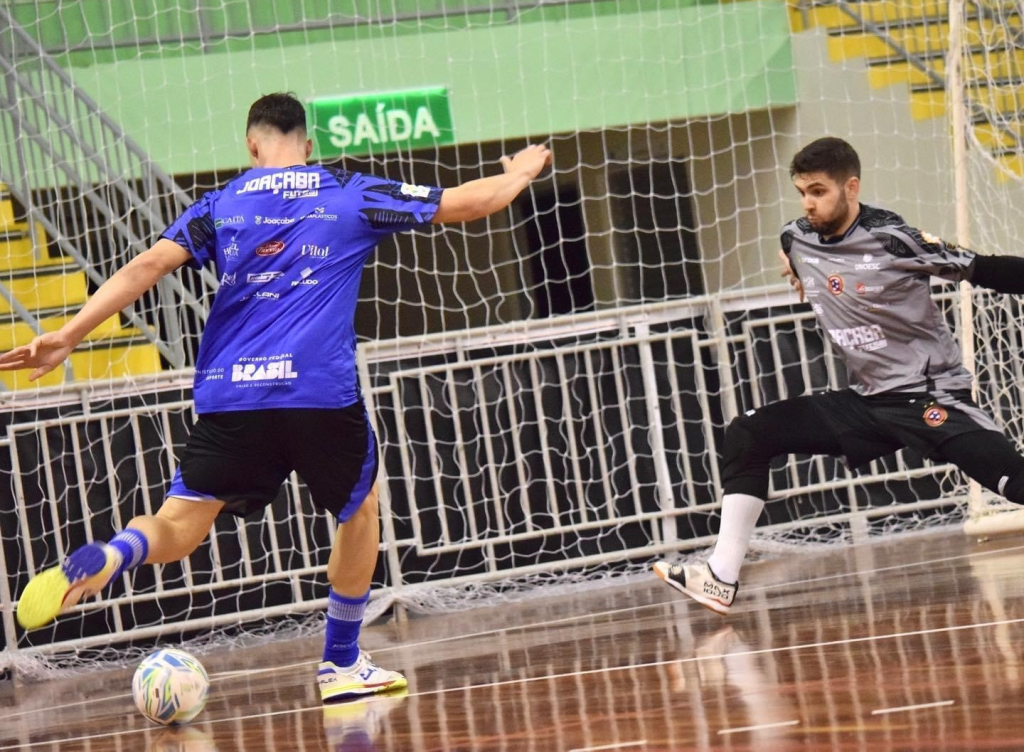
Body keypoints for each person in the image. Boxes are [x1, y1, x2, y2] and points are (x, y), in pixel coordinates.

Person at [2, 92, 551, 699]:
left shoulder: (222, 203)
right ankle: (341, 664)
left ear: (251, 145)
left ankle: (116, 553)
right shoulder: (350, 192)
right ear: (307, 145)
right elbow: (471, 202)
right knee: (358, 510)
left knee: (179, 525)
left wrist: (68, 336)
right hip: (317, 392)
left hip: (233, 394)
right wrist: (520, 172)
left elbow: (147, 266)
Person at [653, 136, 1024, 614]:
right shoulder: (795, 237)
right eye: (802, 192)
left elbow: (984, 269)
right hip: (867, 402)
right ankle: (720, 577)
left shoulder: (893, 238)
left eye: (819, 192)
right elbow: (797, 259)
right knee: (750, 433)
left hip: (928, 395)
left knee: (1013, 483)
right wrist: (798, 276)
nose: (808, 204)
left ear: (851, 187)